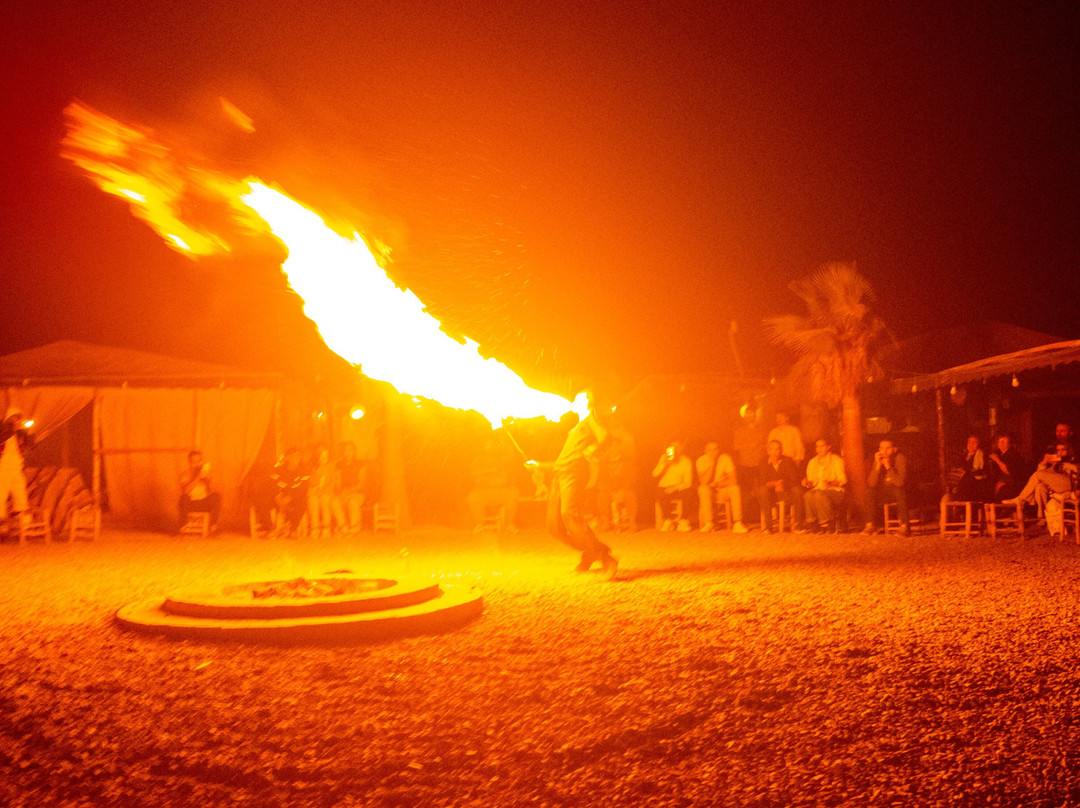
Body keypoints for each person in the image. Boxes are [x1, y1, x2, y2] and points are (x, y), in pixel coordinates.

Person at [531, 390, 618, 578]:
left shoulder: (590, 420)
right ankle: (590, 551)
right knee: (553, 526)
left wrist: (596, 447)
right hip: (559, 475)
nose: (574, 400)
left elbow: (606, 437)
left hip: (573, 474)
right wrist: (540, 465)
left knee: (570, 514)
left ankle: (604, 556)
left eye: (580, 398)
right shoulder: (576, 428)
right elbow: (565, 460)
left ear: (588, 403)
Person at [1004, 440, 1078, 516]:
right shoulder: (1056, 463)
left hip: (1069, 486)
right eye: (1058, 450)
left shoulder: (1072, 460)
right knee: (1039, 487)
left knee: (1037, 475)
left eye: (1063, 450)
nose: (1060, 452)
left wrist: (1064, 463)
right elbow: (1040, 477)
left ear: (1068, 450)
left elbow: (1075, 473)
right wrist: (1043, 463)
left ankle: (1021, 500)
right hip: (1056, 487)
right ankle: (1043, 516)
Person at [467, 434, 520, 533]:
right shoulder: (477, 461)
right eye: (487, 444)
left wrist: (487, 478)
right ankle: (480, 524)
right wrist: (490, 476)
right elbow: (476, 479)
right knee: (472, 497)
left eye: (493, 444)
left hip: (502, 491)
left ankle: (510, 525)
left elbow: (503, 480)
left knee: (513, 494)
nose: (490, 447)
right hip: (482, 491)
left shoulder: (504, 461)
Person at [696, 442, 748, 532]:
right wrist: (711, 465)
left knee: (735, 488)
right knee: (702, 489)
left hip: (722, 490)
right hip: (709, 492)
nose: (712, 452)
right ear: (705, 451)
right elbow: (703, 482)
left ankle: (737, 523)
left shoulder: (725, 459)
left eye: (715, 449)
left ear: (718, 450)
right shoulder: (700, 461)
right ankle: (709, 523)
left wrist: (718, 484)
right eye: (710, 450)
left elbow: (733, 480)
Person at [802, 438, 847, 532]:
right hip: (818, 490)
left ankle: (827, 522)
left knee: (819, 495)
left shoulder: (836, 460)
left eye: (822, 446)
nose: (819, 449)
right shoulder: (813, 462)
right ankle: (813, 523)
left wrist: (830, 483)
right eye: (817, 446)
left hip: (835, 491)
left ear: (828, 447)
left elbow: (843, 479)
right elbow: (812, 481)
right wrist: (807, 482)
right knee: (808, 495)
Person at [758, 439, 804, 533]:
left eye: (777, 449)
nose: (774, 452)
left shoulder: (788, 461)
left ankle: (798, 525)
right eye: (772, 449)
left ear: (781, 451)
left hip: (786, 492)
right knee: (762, 491)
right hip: (771, 495)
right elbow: (762, 481)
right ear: (768, 451)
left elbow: (794, 479)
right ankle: (768, 526)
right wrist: (775, 484)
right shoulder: (763, 462)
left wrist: (783, 483)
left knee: (797, 490)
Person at [863, 439, 907, 535]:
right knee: (869, 492)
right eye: (882, 448)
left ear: (894, 449)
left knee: (899, 491)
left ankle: (904, 526)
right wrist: (877, 466)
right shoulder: (878, 460)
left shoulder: (899, 459)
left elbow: (900, 483)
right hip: (884, 494)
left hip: (898, 492)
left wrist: (888, 467)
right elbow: (871, 483)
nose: (884, 451)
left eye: (888, 448)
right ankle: (870, 525)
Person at [0, 407, 33, 532]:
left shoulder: (19, 433)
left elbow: (30, 446)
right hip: (3, 467)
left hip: (17, 467)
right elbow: (2, 436)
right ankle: (1, 524)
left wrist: (29, 433)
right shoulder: (2, 428)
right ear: (8, 418)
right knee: (1, 494)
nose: (16, 420)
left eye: (17, 418)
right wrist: (12, 428)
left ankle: (23, 524)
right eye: (14, 417)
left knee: (20, 494)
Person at [652, 440, 694, 531]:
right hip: (665, 487)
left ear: (681, 448)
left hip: (678, 488)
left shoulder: (686, 461)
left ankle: (683, 520)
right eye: (673, 447)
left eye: (677, 447)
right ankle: (668, 520)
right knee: (658, 492)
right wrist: (665, 464)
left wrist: (675, 488)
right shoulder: (664, 457)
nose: (675, 449)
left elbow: (688, 482)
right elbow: (654, 474)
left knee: (689, 492)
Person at [178, 449, 221, 532]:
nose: (196, 464)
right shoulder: (185, 474)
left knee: (216, 496)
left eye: (198, 461)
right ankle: (182, 526)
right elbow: (186, 491)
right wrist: (198, 477)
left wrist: (208, 480)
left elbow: (213, 491)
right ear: (189, 463)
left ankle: (213, 525)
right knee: (183, 498)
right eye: (193, 462)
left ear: (201, 462)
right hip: (190, 504)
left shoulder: (206, 474)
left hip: (203, 504)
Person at [307, 445, 345, 536]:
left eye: (326, 456)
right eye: (322, 456)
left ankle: (326, 526)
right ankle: (315, 527)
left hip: (327, 494)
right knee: (312, 500)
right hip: (315, 493)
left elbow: (331, 486)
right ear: (317, 457)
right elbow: (311, 484)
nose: (325, 458)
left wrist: (321, 492)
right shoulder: (313, 469)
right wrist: (316, 492)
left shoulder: (331, 468)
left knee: (324, 500)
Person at [272, 448, 310, 537]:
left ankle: (293, 529)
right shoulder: (279, 470)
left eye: (298, 456)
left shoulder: (303, 470)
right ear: (287, 458)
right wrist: (278, 496)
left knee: (302, 503)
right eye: (293, 456)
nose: (296, 458)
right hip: (280, 497)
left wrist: (290, 497)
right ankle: (278, 528)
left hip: (296, 498)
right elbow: (273, 484)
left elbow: (303, 488)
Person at [946, 435, 992, 503]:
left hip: (977, 483)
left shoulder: (982, 456)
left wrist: (967, 474)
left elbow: (983, 471)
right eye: (969, 442)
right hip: (962, 483)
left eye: (974, 442)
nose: (971, 445)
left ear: (978, 444)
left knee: (967, 480)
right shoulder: (965, 456)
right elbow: (960, 468)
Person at [336, 441, 367, 532]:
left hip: (358, 493)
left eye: (350, 450)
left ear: (354, 451)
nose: (347, 453)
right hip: (344, 493)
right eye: (345, 450)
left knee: (352, 501)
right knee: (334, 501)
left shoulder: (360, 464)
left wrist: (350, 491)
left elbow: (362, 484)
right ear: (342, 452)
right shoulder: (339, 465)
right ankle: (343, 525)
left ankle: (355, 526)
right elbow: (338, 483)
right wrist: (341, 492)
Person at [988, 434, 1024, 502]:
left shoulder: (1013, 455)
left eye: (1004, 442)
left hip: (1011, 484)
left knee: (1002, 491)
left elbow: (1009, 471)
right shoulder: (998, 454)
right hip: (998, 482)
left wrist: (997, 460)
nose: (1002, 444)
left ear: (1009, 443)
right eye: (1000, 442)